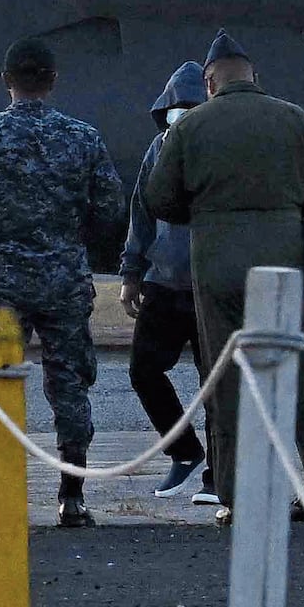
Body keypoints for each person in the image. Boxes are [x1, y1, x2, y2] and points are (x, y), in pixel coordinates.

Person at [134, 35, 304, 512]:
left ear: (210, 81)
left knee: (227, 381)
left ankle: (237, 495)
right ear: (254, 76)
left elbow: (160, 198)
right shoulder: (295, 119)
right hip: (284, 259)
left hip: (217, 264)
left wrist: (207, 211)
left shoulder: (190, 127)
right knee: (303, 374)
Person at [0, 39, 132, 527]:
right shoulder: (82, 137)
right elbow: (112, 206)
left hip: (5, 281)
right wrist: (71, 234)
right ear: (52, 80)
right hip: (65, 278)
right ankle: (73, 497)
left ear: (7, 81)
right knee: (70, 388)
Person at [120, 61, 215, 491]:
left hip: (212, 283)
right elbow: (141, 212)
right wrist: (131, 272)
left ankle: (220, 474)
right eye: (176, 115)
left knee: (215, 382)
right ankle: (184, 450)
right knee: (143, 371)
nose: (182, 122)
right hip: (164, 281)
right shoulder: (158, 148)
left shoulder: (226, 148)